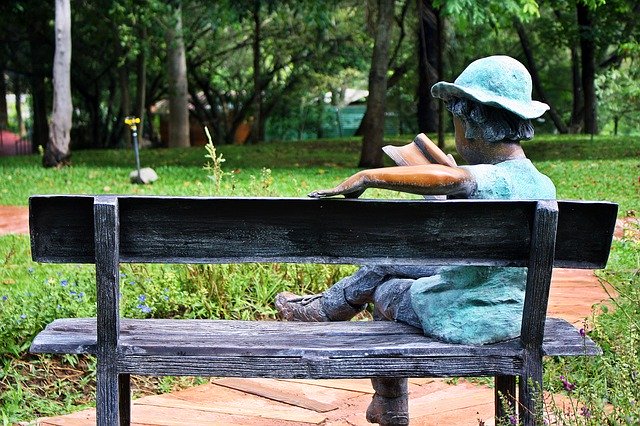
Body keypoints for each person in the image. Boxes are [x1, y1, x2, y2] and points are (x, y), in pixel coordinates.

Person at [275, 55, 556, 426]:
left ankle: (390, 404)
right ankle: (327, 308)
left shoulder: (489, 180)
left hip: (466, 312)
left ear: (472, 122)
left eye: (456, 119)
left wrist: (368, 177)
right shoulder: (542, 183)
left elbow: (455, 180)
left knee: (386, 291)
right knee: (388, 263)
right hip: (517, 311)